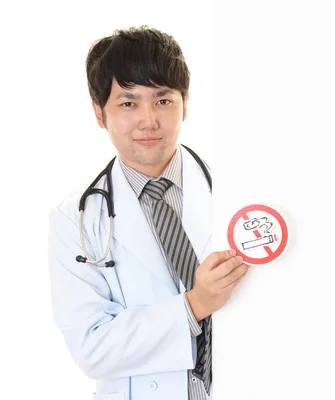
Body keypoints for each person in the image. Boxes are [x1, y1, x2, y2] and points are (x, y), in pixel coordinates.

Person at [47, 25, 249, 400]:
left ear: (185, 103)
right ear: (98, 113)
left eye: (163, 100)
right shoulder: (74, 220)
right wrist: (194, 305)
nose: (148, 120)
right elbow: (92, 347)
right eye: (128, 103)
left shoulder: (240, 191)